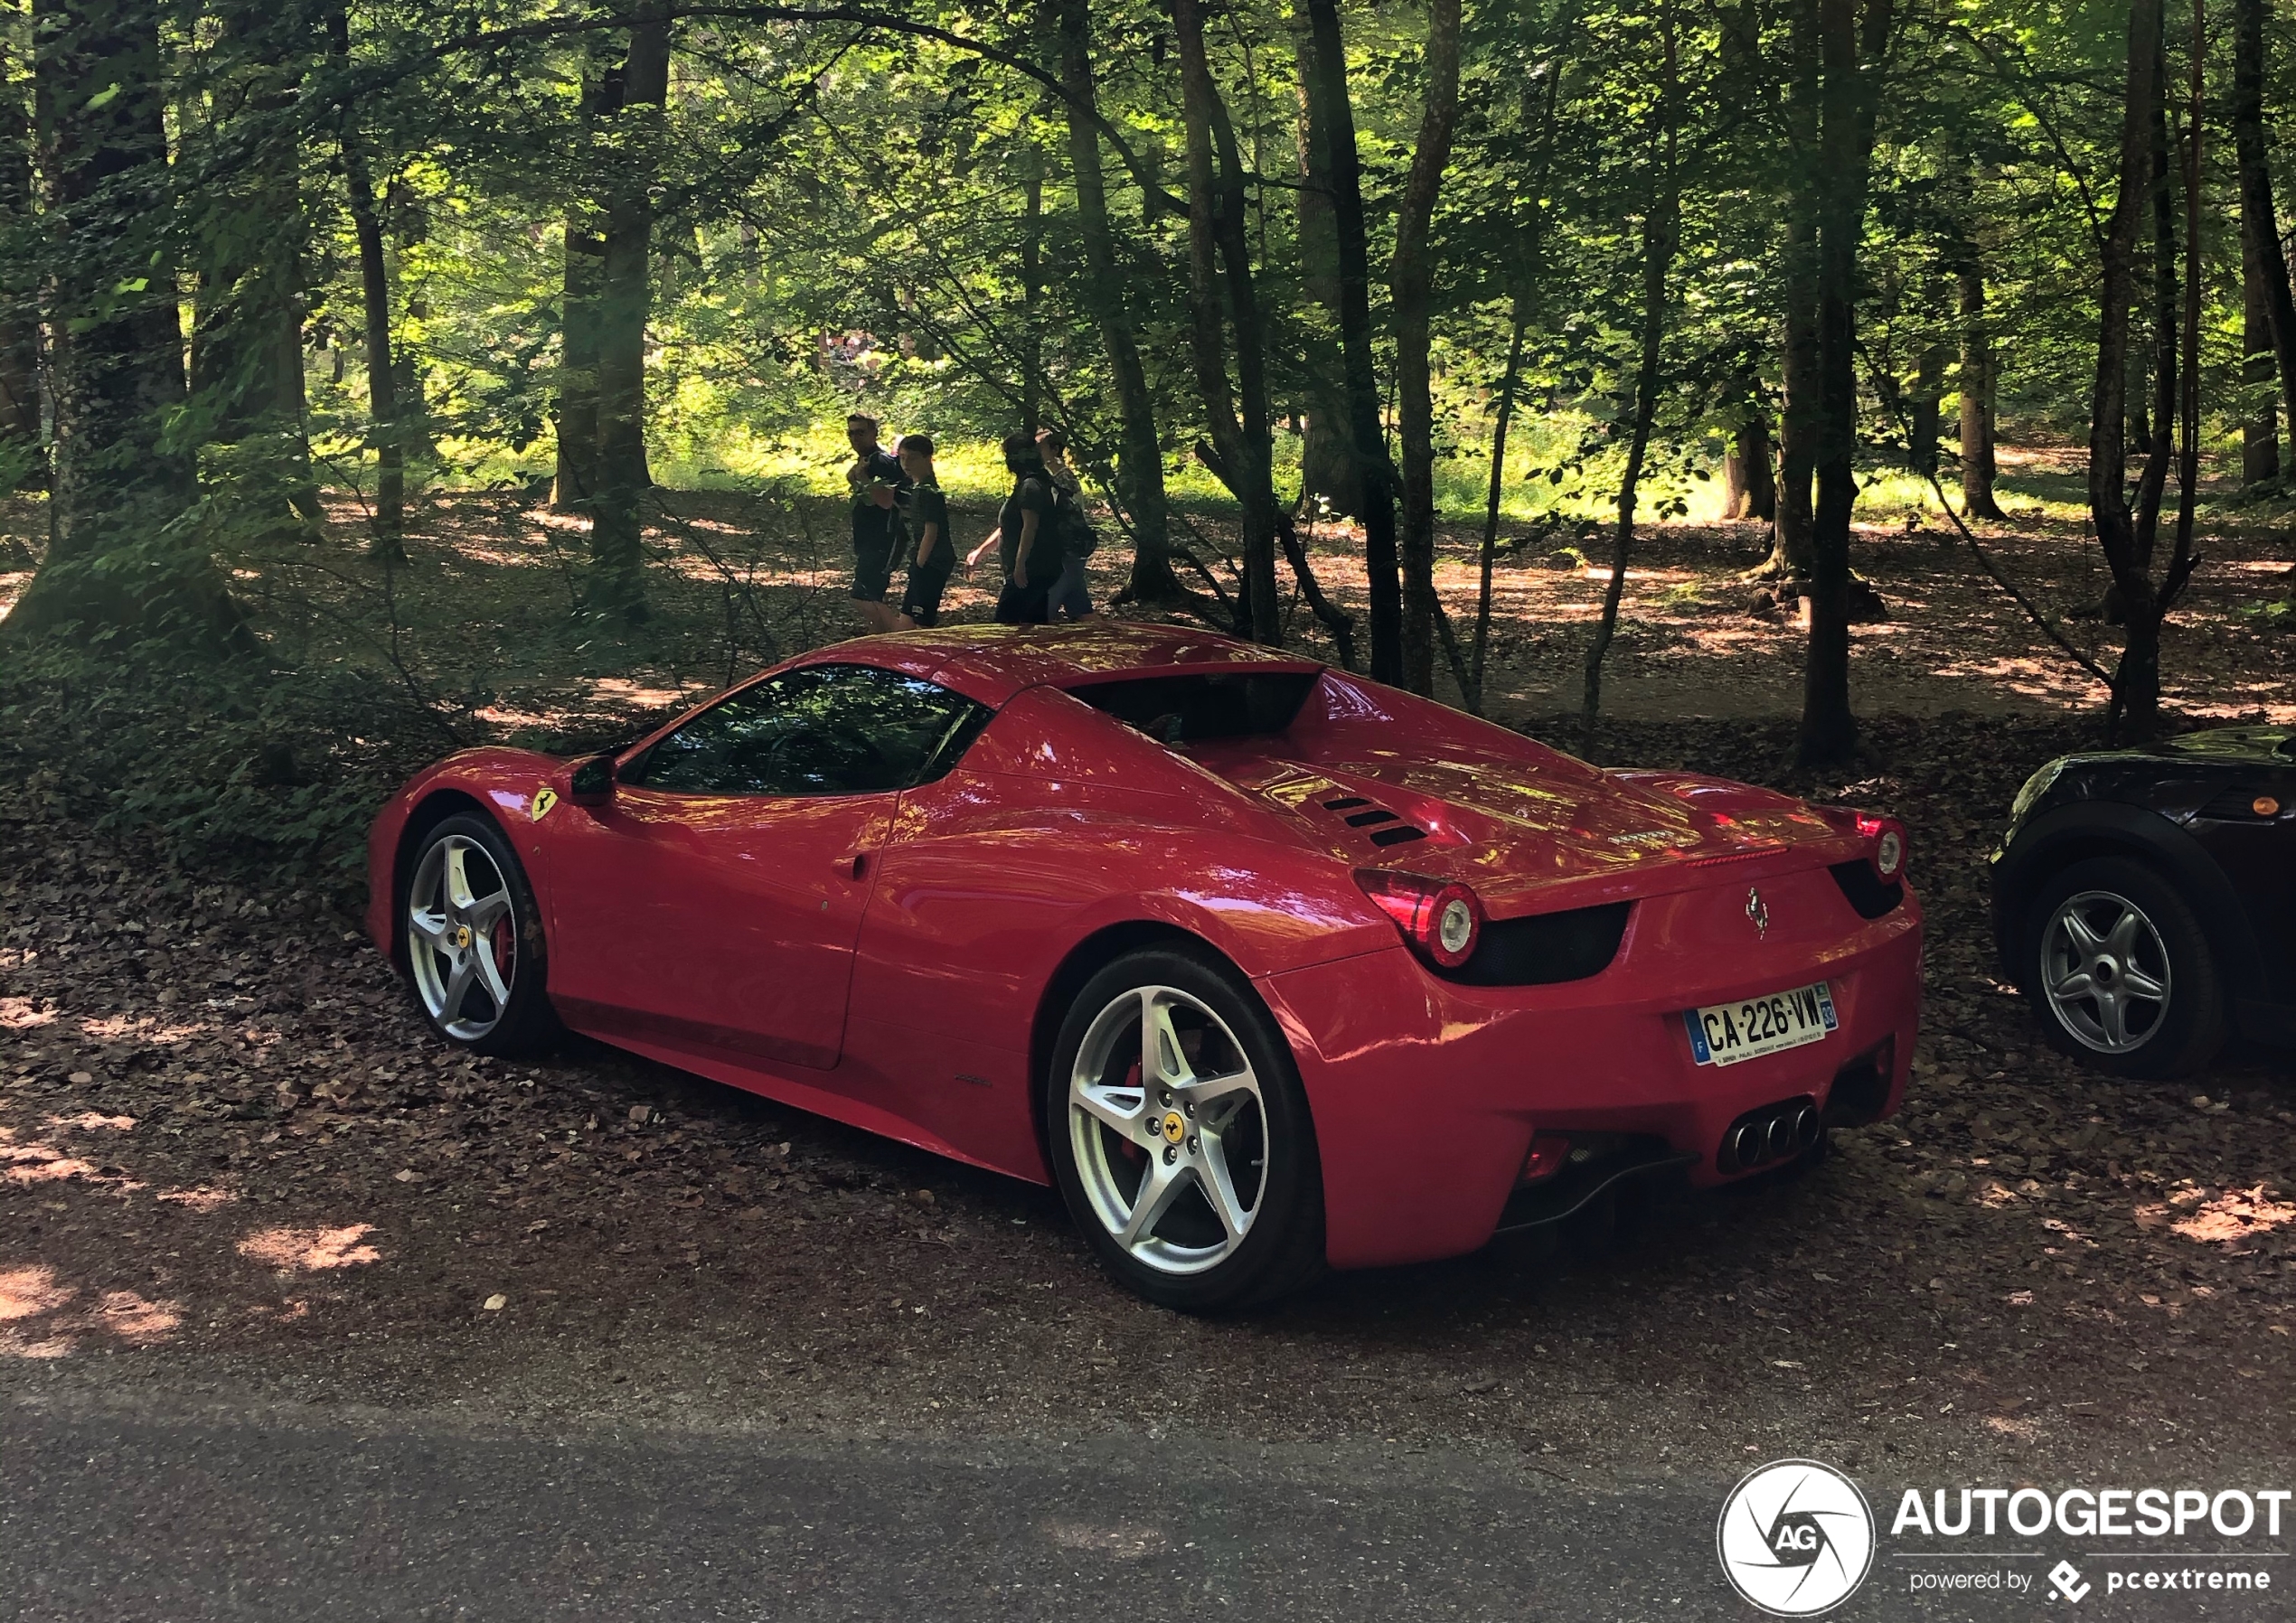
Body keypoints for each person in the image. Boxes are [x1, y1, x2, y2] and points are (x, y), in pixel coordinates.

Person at [978, 430, 1055, 625]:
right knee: (1034, 625)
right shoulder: (1032, 482)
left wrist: (1020, 566)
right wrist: (981, 551)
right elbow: (1009, 526)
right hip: (1035, 569)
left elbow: (1030, 527)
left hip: (1030, 571)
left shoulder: (1031, 486)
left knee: (1004, 624)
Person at [844, 411, 909, 633]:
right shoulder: (866, 460)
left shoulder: (879, 461)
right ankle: (878, 644)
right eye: (851, 433)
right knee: (873, 596)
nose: (855, 438)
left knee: (862, 596)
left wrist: (862, 478)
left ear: (874, 433)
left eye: (861, 432)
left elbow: (885, 501)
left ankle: (903, 635)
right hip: (869, 538)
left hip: (883, 538)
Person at [1034, 427, 1104, 624]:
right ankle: (1107, 641)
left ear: (1054, 450)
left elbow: (1049, 516)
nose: (1037, 453)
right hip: (1070, 553)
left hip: (1066, 553)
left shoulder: (1063, 481)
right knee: (1082, 611)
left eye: (1040, 448)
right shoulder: (1058, 478)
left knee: (1042, 615)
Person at [894, 433, 954, 630]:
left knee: (922, 623)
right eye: (902, 457)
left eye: (912, 457)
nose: (906, 463)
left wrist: (919, 564)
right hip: (922, 561)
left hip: (933, 562)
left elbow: (931, 530)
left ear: (927, 458)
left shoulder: (929, 491)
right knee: (906, 620)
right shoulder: (918, 488)